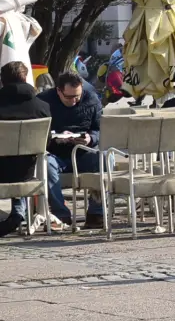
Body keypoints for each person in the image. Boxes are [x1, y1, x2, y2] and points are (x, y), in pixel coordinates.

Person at [0, 61, 60, 237]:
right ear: (26, 78)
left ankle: (17, 215)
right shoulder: (42, 107)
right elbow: (46, 144)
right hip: (27, 173)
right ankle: (18, 213)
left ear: (2, 81)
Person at [40, 70, 104, 230]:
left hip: (83, 151)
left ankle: (96, 214)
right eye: (69, 97)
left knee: (103, 158)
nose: (74, 101)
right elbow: (36, 133)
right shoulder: (43, 101)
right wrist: (54, 138)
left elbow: (101, 128)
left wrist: (91, 138)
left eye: (78, 96)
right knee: (45, 164)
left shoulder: (91, 99)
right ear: (58, 91)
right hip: (55, 154)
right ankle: (61, 214)